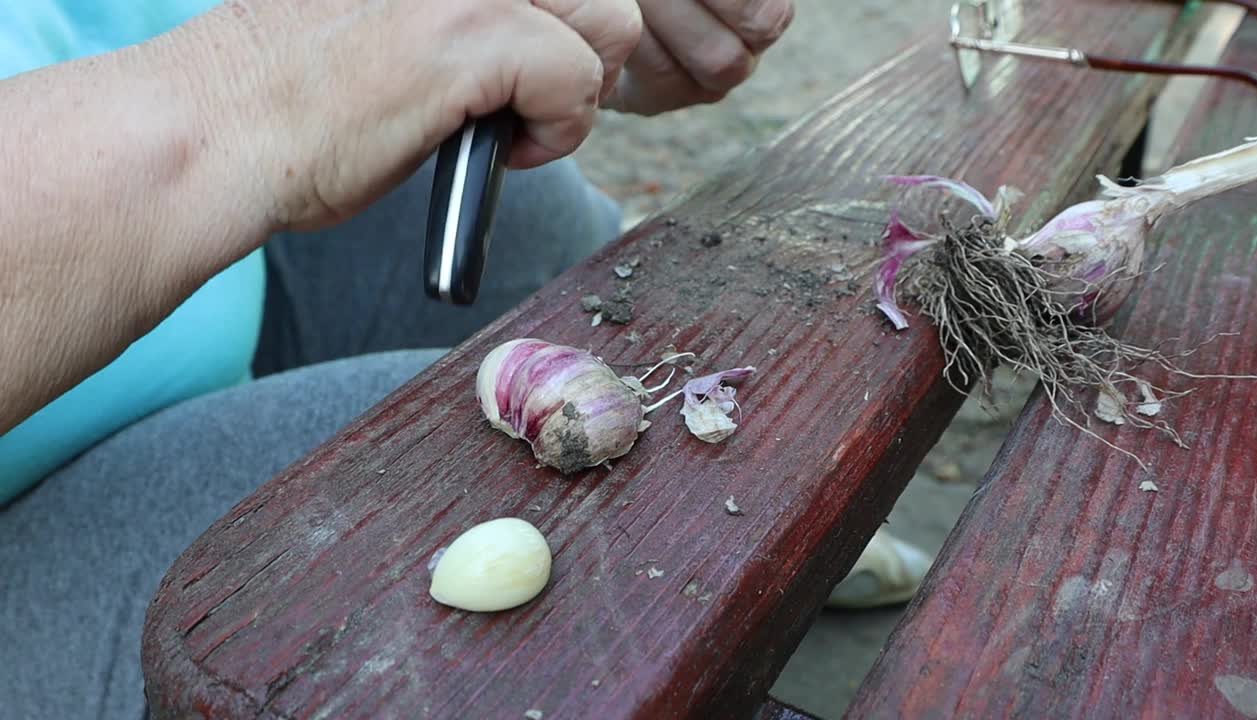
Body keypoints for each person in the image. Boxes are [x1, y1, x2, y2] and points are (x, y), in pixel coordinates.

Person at [0, 1, 927, 716]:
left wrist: (541, 31)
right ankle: (703, 576)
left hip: (185, 264)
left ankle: (755, 542)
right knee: (425, 478)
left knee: (539, 230)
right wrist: (247, 81)